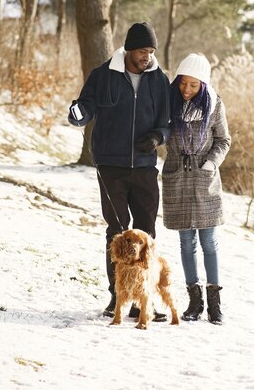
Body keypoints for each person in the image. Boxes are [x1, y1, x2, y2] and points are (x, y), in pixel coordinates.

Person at [68, 22, 170, 321]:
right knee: (117, 233)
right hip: (110, 165)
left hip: (145, 167)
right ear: (128, 49)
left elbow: (167, 123)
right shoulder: (103, 75)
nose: (146, 57)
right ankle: (117, 298)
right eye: (142, 51)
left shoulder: (158, 81)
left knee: (146, 235)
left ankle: (142, 301)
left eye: (151, 51)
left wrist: (157, 138)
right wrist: (78, 114)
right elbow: (84, 107)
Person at [161, 53, 231, 325]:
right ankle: (194, 302)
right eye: (183, 84)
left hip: (205, 179)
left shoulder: (214, 105)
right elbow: (162, 131)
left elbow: (224, 140)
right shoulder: (170, 104)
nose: (186, 90)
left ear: (202, 84)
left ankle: (215, 304)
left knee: (209, 243)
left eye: (193, 85)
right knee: (186, 243)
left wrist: (212, 163)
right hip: (177, 178)